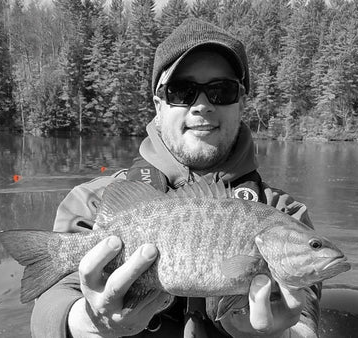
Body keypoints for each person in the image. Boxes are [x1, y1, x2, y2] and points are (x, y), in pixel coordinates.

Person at [30, 18, 320, 338]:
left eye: (220, 91)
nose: (201, 106)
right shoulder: (93, 202)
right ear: (158, 105)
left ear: (241, 103)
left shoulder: (287, 217)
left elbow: (306, 321)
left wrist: (279, 335)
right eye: (182, 91)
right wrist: (88, 323)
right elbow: (49, 308)